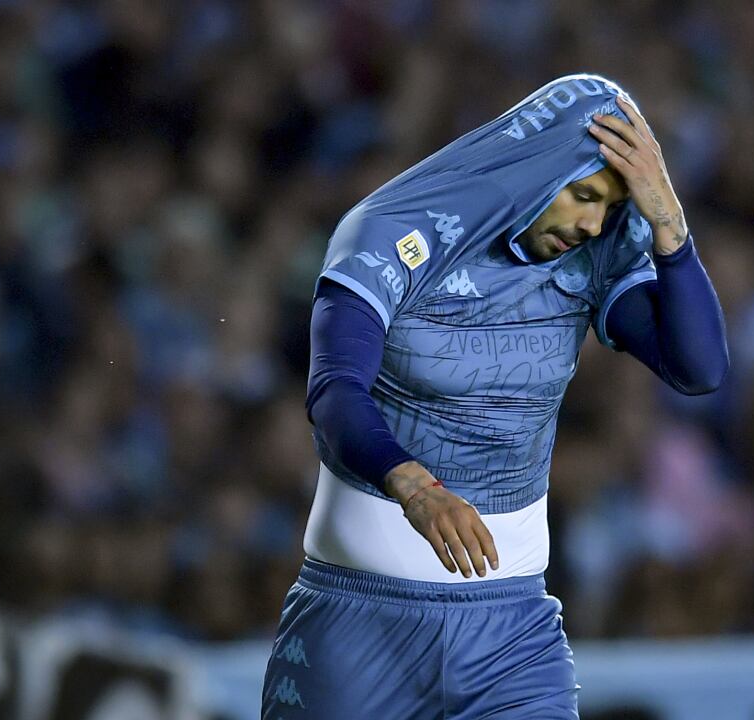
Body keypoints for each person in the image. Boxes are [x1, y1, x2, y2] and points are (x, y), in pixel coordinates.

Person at [262, 74, 728, 718]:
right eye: (584, 195)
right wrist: (415, 488)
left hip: (511, 629)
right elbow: (335, 391)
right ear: (537, 170)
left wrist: (671, 229)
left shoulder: (595, 251)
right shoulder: (387, 232)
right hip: (357, 624)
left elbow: (697, 368)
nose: (592, 223)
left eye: (612, 207)